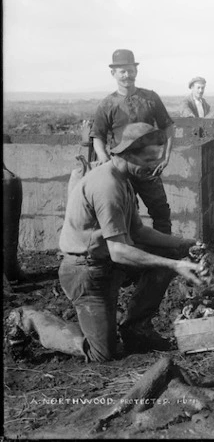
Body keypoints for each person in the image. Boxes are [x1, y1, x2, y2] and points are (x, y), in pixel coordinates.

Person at [5, 123, 203, 362]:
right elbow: (119, 251)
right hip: (86, 272)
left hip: (106, 262)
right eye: (149, 160)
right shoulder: (107, 186)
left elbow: (137, 232)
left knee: (169, 256)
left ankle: (135, 328)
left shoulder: (123, 179)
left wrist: (183, 243)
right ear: (128, 155)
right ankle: (30, 317)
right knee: (102, 353)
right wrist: (173, 265)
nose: (154, 166)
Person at [90, 49, 175, 234]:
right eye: (122, 71)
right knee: (126, 214)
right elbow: (97, 136)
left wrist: (165, 157)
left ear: (136, 71)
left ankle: (166, 253)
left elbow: (168, 127)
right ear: (113, 73)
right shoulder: (108, 104)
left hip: (148, 167)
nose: (127, 75)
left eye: (130, 70)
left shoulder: (151, 98)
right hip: (120, 170)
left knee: (161, 212)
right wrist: (105, 161)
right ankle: (130, 257)